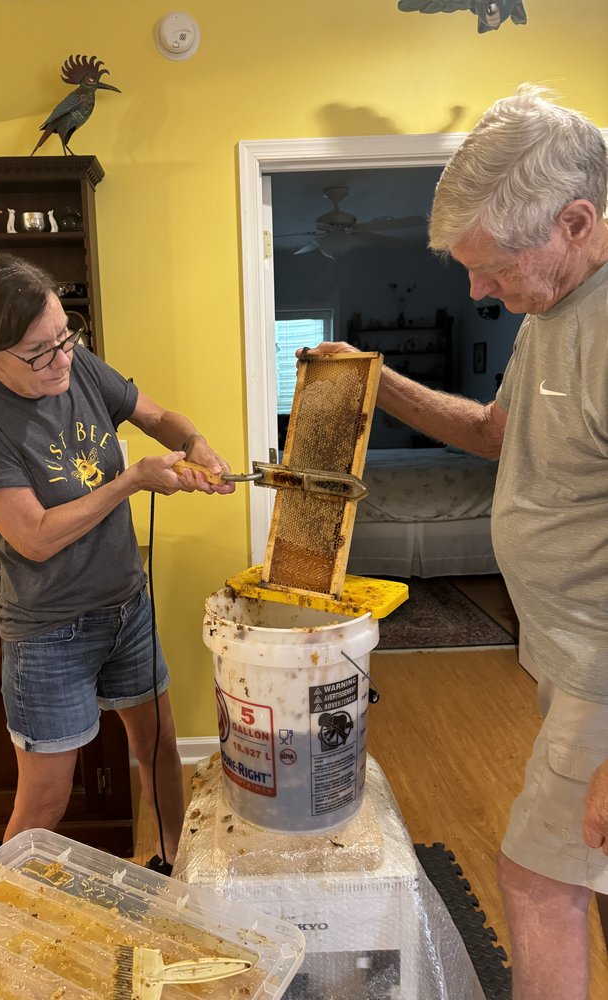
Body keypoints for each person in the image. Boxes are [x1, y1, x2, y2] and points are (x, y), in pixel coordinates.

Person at [305, 85, 608, 999]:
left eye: (492, 267)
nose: (478, 290)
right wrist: (374, 379)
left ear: (576, 221)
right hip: (567, 655)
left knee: (536, 879)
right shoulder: (552, 312)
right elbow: (491, 430)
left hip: (605, 673)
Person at [0, 251, 234, 874]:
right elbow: (35, 538)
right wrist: (132, 481)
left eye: (64, 337)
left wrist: (194, 444)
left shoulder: (73, 365)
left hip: (126, 606)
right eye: (38, 352)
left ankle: (170, 871)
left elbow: (155, 415)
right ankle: (0, 914)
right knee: (45, 797)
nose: (61, 360)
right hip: (49, 630)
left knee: (157, 749)